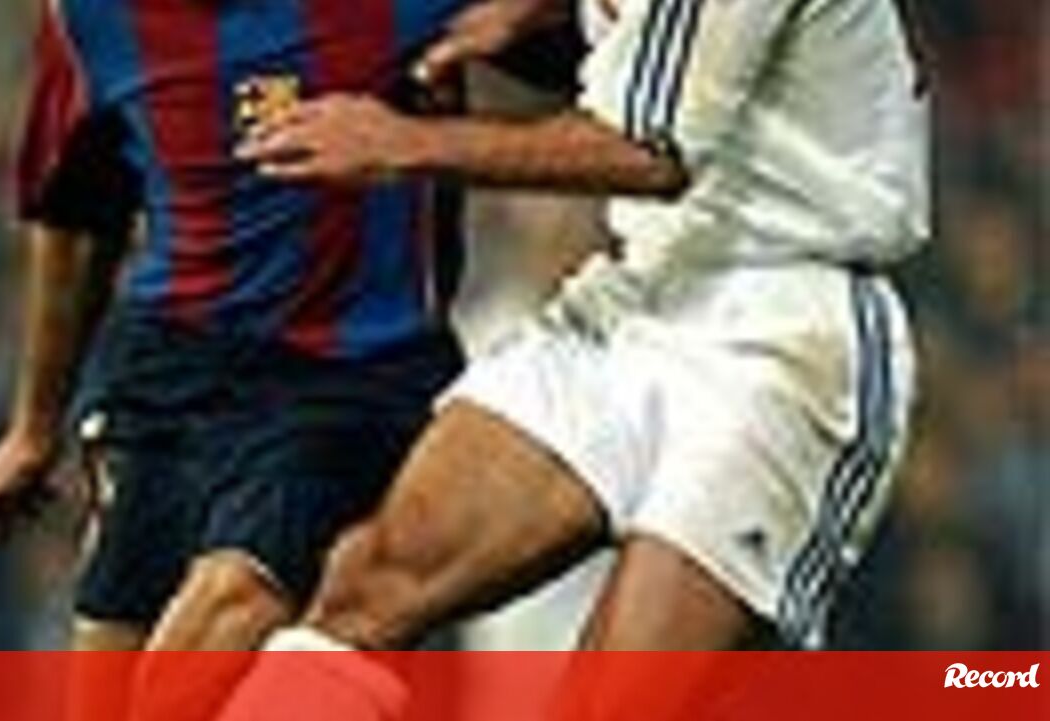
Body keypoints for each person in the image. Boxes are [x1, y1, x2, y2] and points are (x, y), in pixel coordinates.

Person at [222, 0, 930, 714]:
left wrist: (403, 143)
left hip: (782, 336)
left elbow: (651, 151)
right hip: (641, 290)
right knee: (368, 587)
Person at [0, 0, 476, 716]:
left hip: (350, 375)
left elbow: (587, 62)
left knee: (224, 611)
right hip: (168, 372)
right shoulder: (88, 17)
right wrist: (34, 427)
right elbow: (77, 216)